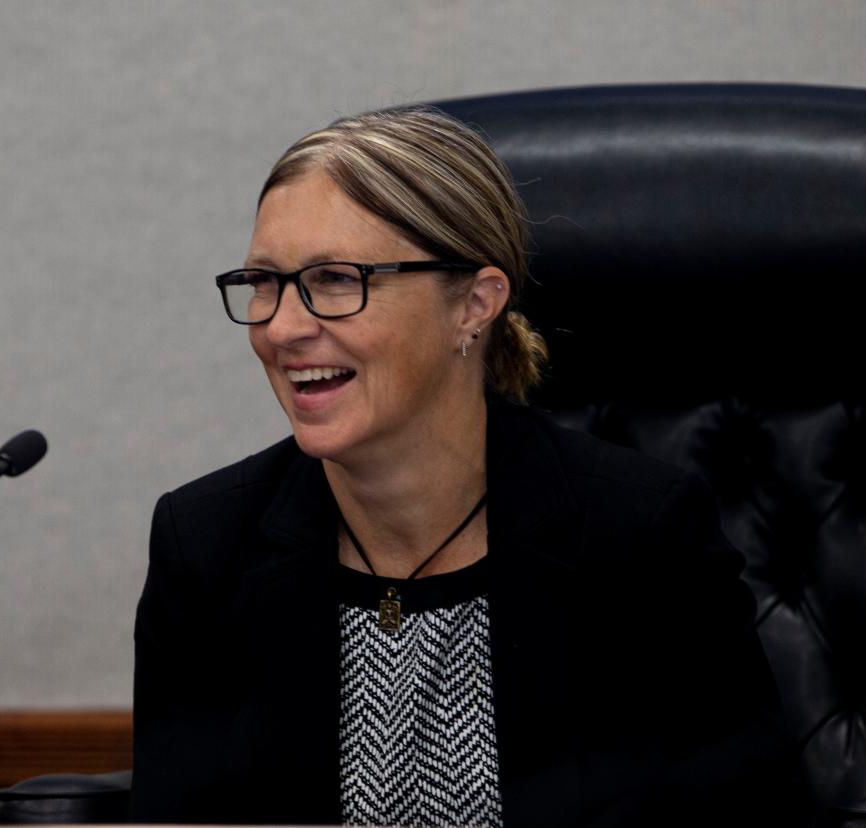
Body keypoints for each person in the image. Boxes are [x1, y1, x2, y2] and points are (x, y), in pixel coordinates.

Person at [131, 108, 793, 827]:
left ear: (475, 304)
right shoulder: (204, 543)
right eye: (265, 282)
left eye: (334, 279)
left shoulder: (640, 535)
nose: (283, 327)